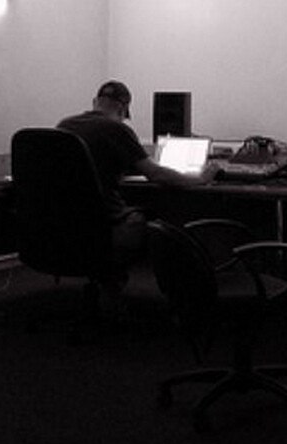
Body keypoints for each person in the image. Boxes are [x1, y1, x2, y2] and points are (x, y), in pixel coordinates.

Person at [57, 80, 203, 290]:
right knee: (156, 218)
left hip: (66, 221)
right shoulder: (117, 129)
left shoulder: (64, 126)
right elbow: (157, 174)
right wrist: (201, 178)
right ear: (122, 109)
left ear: (95, 102)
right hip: (104, 221)